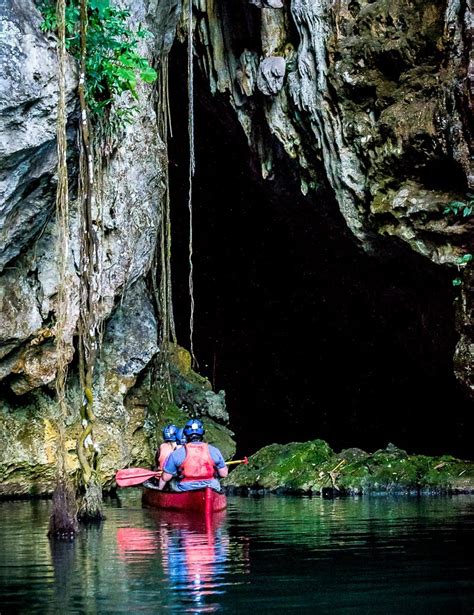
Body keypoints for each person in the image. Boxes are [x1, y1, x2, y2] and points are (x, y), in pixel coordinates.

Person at [158, 418, 228, 492]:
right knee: (217, 480)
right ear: (202, 433)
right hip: (211, 487)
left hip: (186, 488)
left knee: (172, 481)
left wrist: (159, 490)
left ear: (185, 434)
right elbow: (224, 474)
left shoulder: (176, 454)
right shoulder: (214, 450)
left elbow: (165, 478)